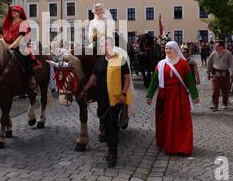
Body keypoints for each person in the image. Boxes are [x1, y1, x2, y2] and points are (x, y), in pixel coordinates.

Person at [82, 37, 135, 167]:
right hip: (102, 99)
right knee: (105, 125)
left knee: (112, 125)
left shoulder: (120, 60)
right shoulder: (99, 61)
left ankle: (113, 153)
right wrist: (84, 89)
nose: (100, 46)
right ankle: (110, 149)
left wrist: (123, 93)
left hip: (115, 99)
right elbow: (93, 77)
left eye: (103, 44)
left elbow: (127, 78)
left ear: (110, 45)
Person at [146, 41, 200, 156]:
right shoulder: (161, 64)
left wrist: (195, 96)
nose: (167, 50)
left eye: (170, 48)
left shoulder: (183, 64)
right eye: (166, 48)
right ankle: (167, 142)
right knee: (166, 119)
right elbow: (154, 80)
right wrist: (149, 95)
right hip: (164, 95)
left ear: (176, 50)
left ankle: (182, 146)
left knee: (180, 120)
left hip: (179, 95)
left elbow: (190, 80)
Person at [2, 5, 37, 90]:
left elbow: (21, 36)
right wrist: (3, 43)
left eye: (15, 11)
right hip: (8, 45)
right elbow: (5, 35)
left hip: (21, 45)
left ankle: (30, 78)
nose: (13, 12)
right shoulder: (10, 23)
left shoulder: (23, 23)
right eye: (12, 11)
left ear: (20, 13)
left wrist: (12, 46)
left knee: (26, 57)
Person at [207, 41, 233, 111]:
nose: (215, 47)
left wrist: (232, 73)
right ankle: (214, 104)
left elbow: (232, 64)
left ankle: (224, 104)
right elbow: (209, 64)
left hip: (225, 75)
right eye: (215, 46)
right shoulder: (213, 54)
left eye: (217, 46)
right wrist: (208, 73)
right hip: (216, 75)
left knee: (225, 91)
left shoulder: (228, 54)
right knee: (215, 90)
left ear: (221, 46)